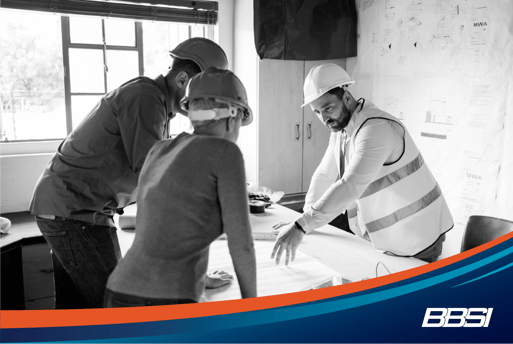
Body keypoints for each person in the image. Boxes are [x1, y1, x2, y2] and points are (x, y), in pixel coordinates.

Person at [29, 38, 229, 309]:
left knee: (74, 313)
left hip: (71, 210)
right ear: (183, 79)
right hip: (74, 212)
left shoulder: (157, 107)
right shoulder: (145, 97)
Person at [272, 63, 454, 266]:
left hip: (416, 236)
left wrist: (301, 226)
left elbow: (350, 185)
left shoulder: (376, 128)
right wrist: (305, 222)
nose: (324, 119)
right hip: (386, 238)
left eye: (328, 108)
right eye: (317, 112)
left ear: (347, 98)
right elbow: (324, 174)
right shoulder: (342, 130)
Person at [104, 67, 257, 307]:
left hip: (119, 290)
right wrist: (253, 309)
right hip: (167, 299)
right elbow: (241, 244)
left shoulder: (159, 149)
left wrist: (203, 278)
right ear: (234, 115)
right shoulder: (226, 153)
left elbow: (161, 232)